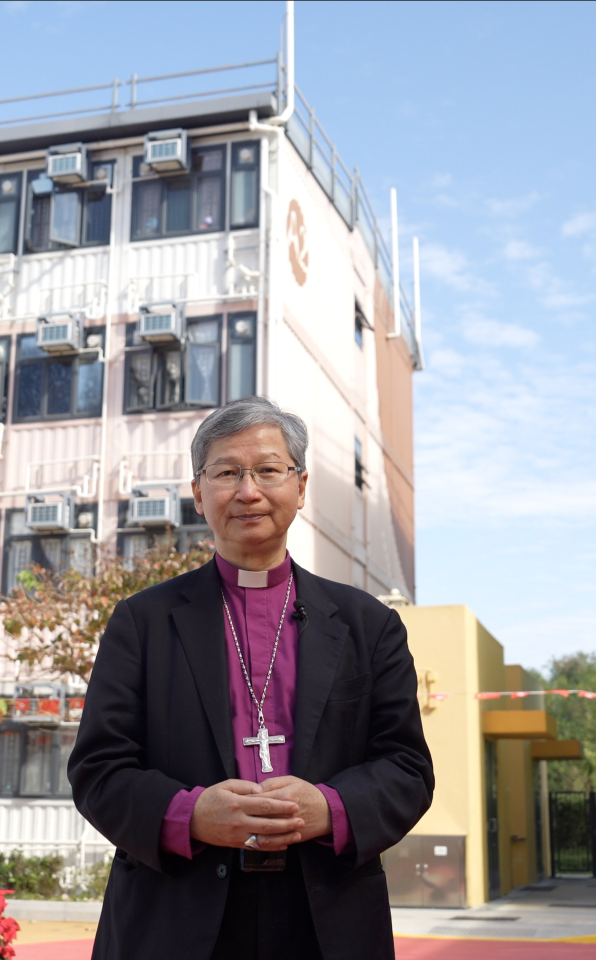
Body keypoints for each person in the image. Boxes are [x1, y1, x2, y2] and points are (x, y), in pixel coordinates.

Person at [69, 396, 433, 960]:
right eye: (226, 472)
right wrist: (187, 815)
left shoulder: (369, 625)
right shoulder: (142, 622)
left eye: (268, 470)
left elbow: (407, 769)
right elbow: (98, 770)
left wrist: (330, 808)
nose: (248, 491)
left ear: (301, 485)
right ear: (198, 493)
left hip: (325, 918)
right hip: (175, 916)